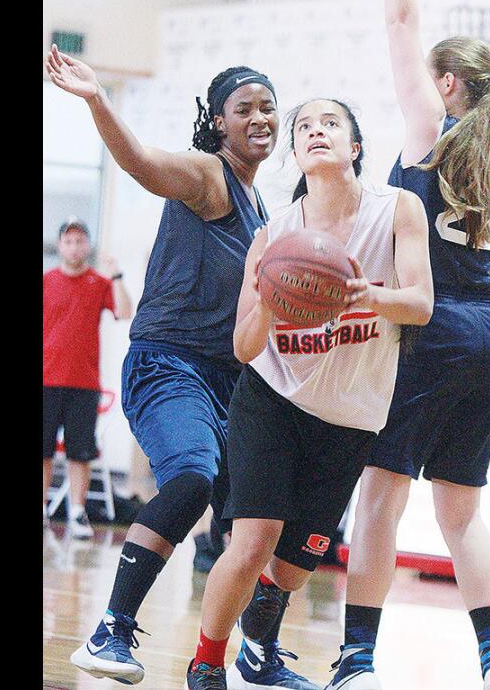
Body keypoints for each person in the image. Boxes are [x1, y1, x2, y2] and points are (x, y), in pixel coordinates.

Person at [47, 48, 316, 688]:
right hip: (169, 362)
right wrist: (96, 99)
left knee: (264, 521)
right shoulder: (208, 174)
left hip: (229, 381)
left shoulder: (260, 211)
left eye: (268, 108)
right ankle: (110, 630)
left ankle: (247, 654)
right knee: (192, 477)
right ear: (218, 123)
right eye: (243, 108)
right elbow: (140, 163)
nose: (260, 118)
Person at [336, 0, 490, 690]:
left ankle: (357, 659)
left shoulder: (430, 135)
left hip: (428, 325)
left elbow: (401, 24)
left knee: (383, 499)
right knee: (462, 513)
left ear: (448, 87)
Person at [183, 98, 433, 690]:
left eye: (330, 123)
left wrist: (366, 295)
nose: (315, 131)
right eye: (303, 128)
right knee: (253, 543)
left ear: (355, 146)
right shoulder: (274, 236)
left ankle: (258, 649)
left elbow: (420, 305)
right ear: (295, 154)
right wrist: (270, 301)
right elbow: (245, 347)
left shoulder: (398, 209)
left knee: (295, 566)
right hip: (272, 399)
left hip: (351, 413)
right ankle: (207, 662)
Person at [44, 216, 132, 538]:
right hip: (47, 379)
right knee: (44, 450)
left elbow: (124, 312)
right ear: (60, 245)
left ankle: (77, 513)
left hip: (84, 383)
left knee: (80, 452)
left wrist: (117, 275)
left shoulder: (99, 282)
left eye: (80, 240)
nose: (74, 246)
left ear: (87, 245)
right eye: (68, 240)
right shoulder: (47, 281)